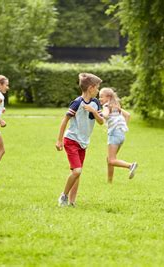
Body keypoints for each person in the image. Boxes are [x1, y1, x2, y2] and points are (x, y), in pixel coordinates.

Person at [56, 73, 104, 207]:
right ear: (91, 88)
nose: (98, 90)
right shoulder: (77, 102)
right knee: (77, 171)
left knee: (77, 173)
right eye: (97, 88)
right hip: (71, 140)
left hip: (83, 143)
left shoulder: (95, 103)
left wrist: (93, 111)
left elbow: (101, 122)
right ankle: (63, 196)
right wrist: (59, 140)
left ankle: (72, 202)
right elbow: (64, 120)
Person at [99, 87, 137, 183]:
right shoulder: (116, 106)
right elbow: (127, 115)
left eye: (101, 97)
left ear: (108, 97)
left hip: (114, 135)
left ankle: (130, 165)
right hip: (121, 135)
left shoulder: (107, 106)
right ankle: (109, 182)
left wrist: (98, 113)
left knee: (111, 160)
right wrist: (123, 127)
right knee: (110, 159)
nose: (100, 99)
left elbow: (106, 115)